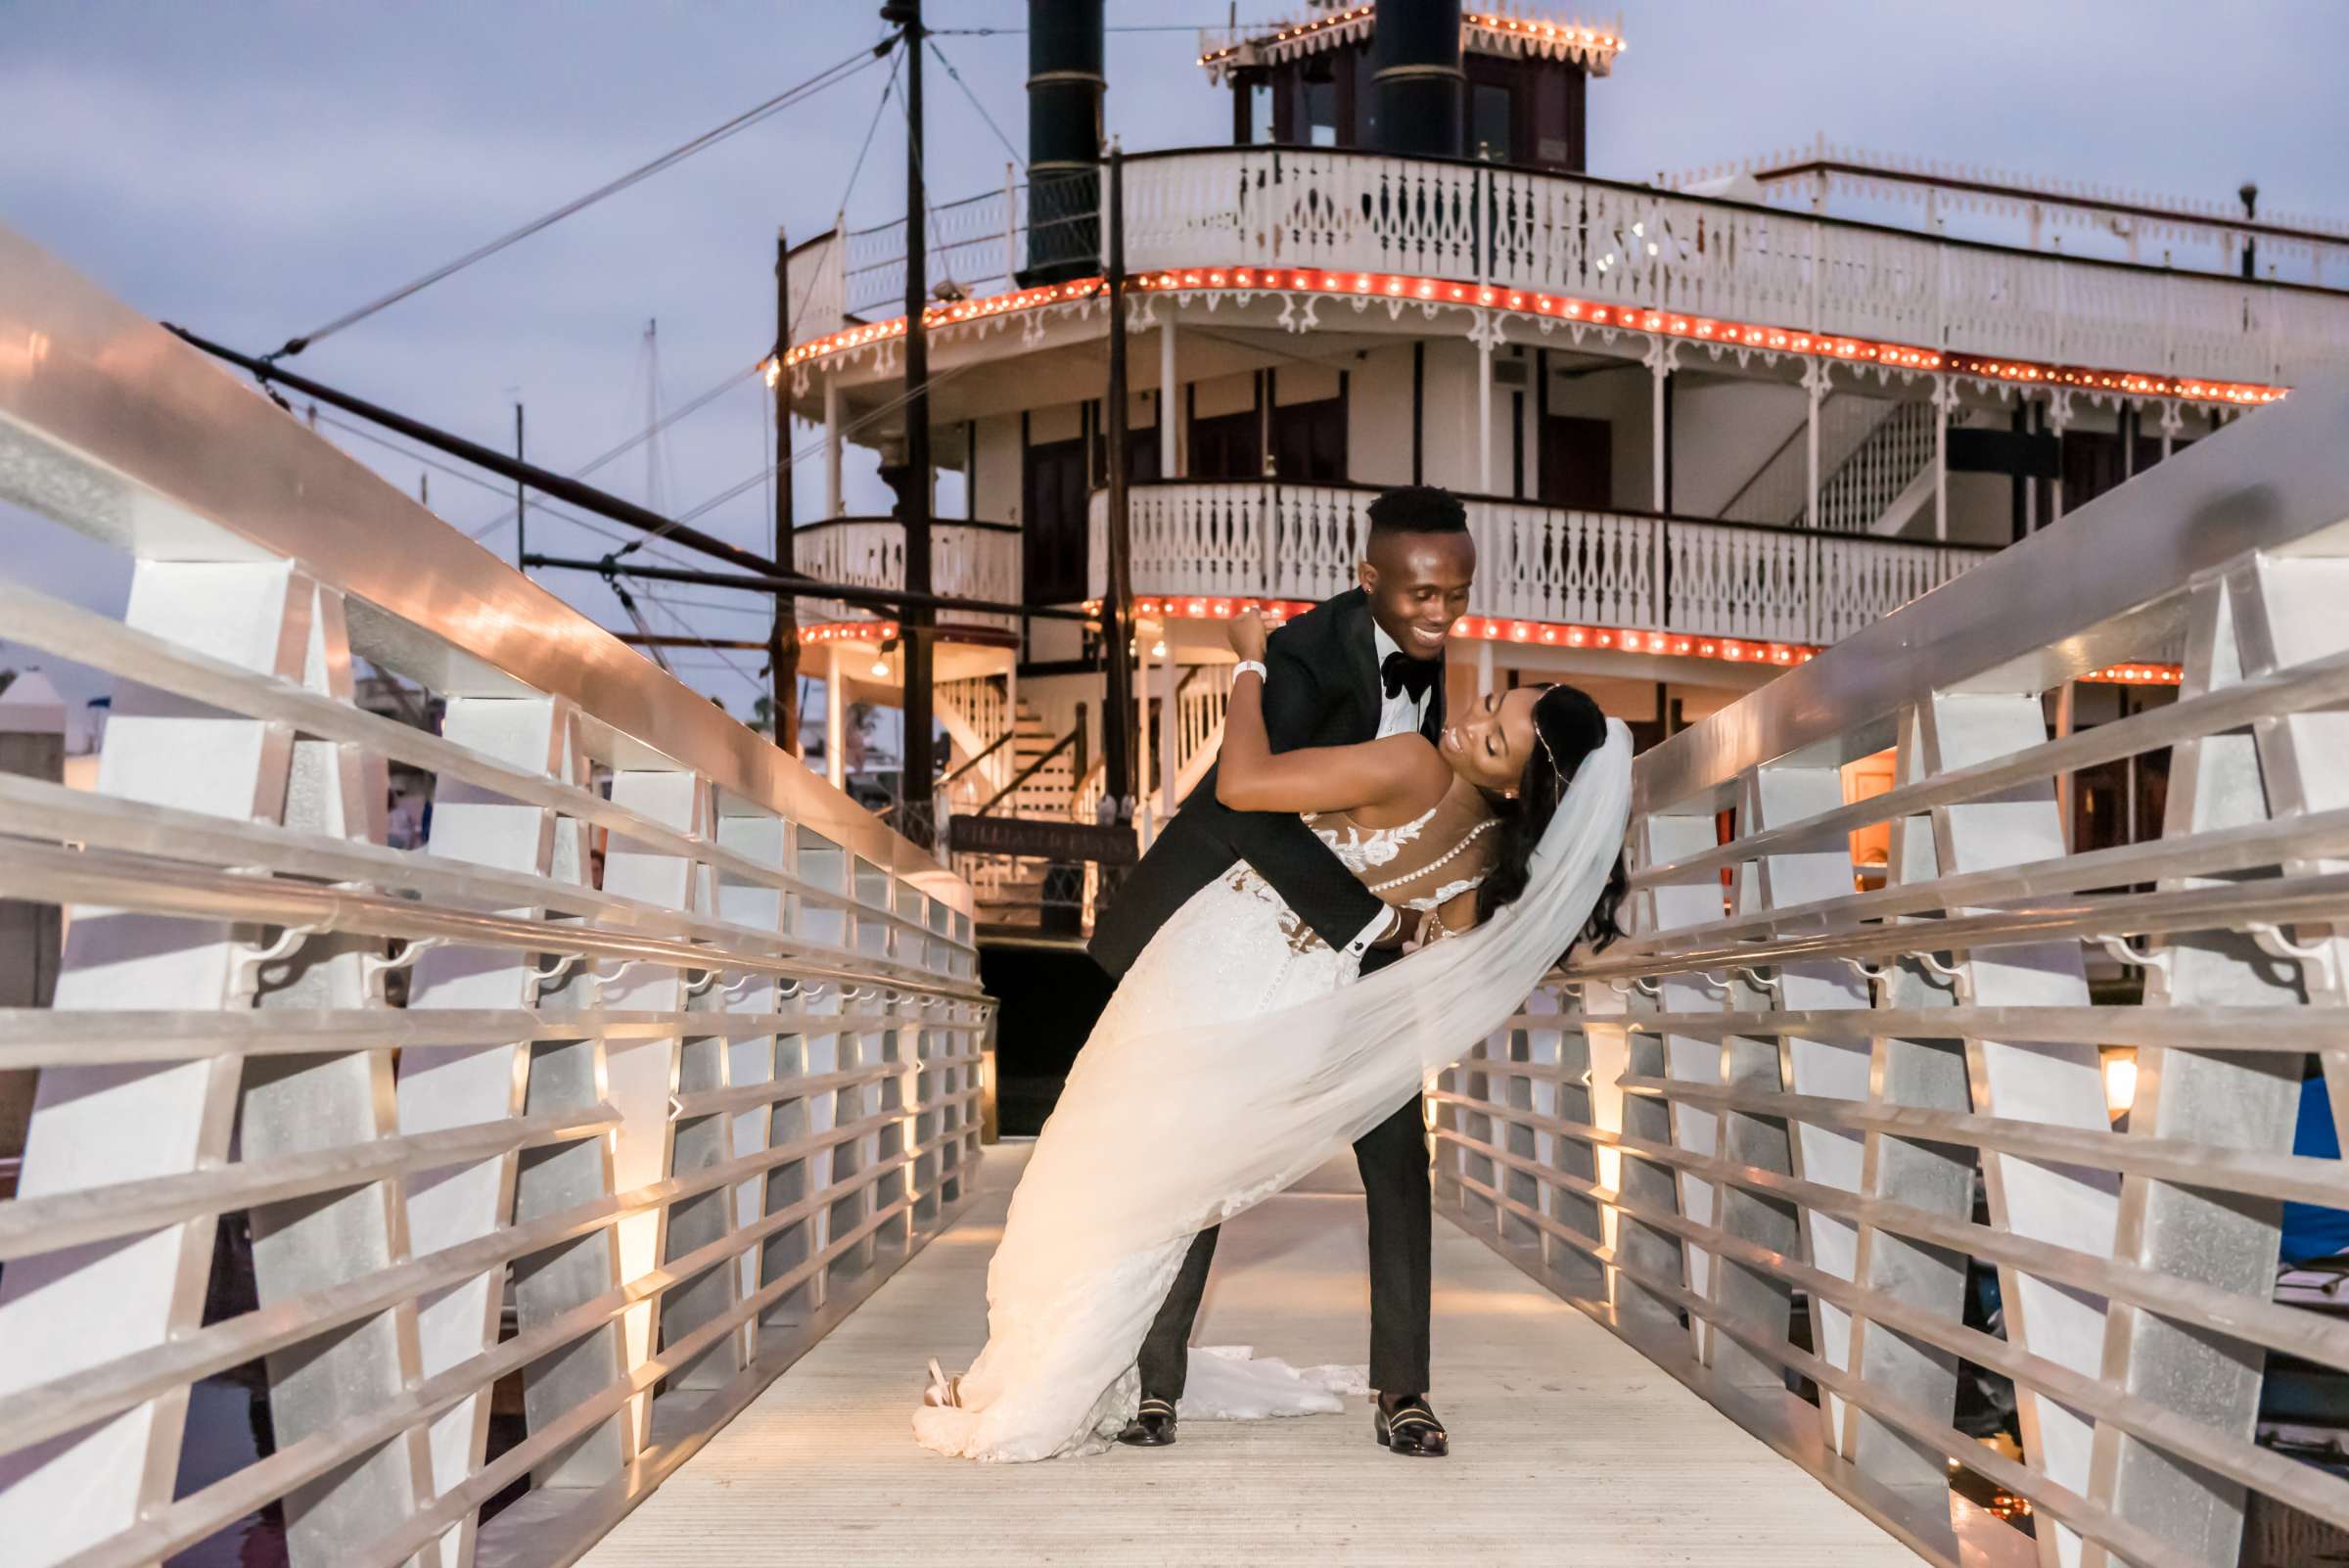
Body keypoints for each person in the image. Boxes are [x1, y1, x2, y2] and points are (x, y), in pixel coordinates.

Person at [912, 493, 1631, 1463]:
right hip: (1275, 932)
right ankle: (1151, 1384)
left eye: (1456, 597)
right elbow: (1240, 810)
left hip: (1328, 973)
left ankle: (1400, 1391)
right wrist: (1382, 915)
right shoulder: (1313, 658)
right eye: (1424, 594)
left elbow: (1272, 787)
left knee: (1346, 1160)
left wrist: (1236, 658)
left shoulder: (1431, 721)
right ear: (1371, 577)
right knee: (1193, 1153)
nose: (1442, 619)